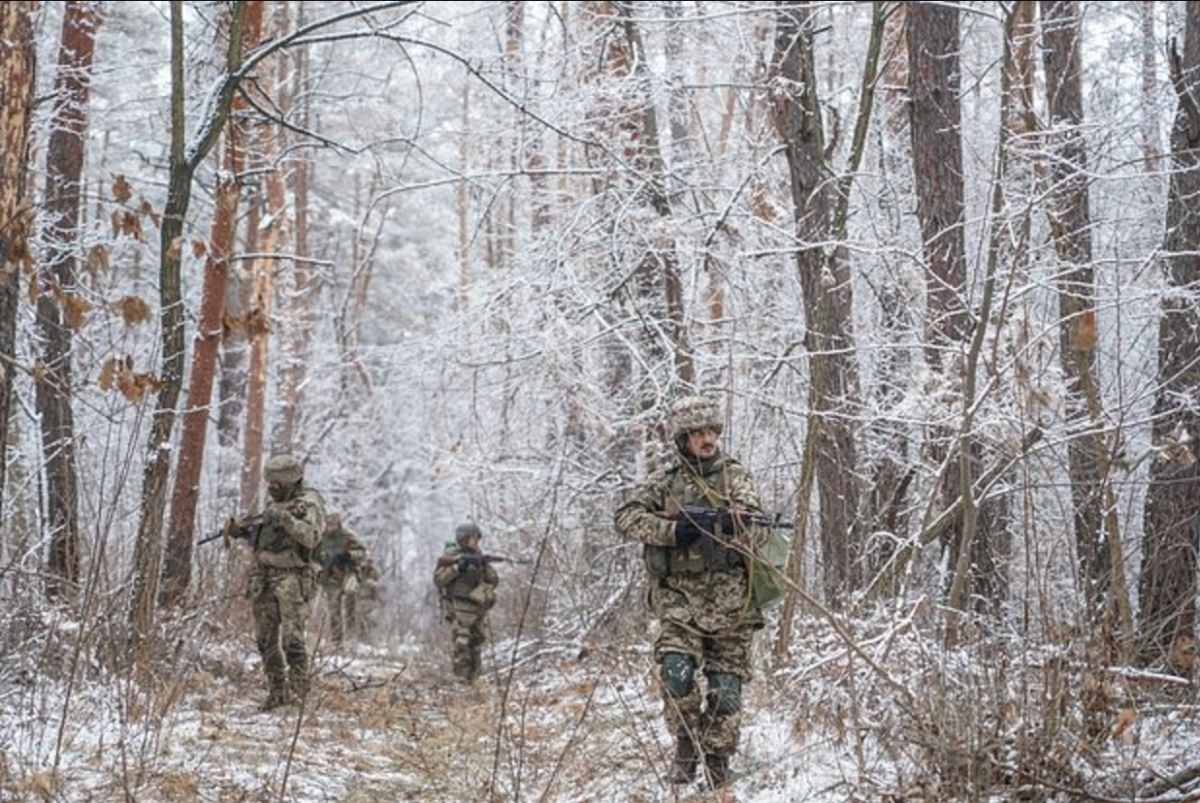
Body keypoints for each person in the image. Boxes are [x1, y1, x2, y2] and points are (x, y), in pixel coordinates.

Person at [613, 394, 767, 789]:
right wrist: (670, 532)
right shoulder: (665, 481)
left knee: (726, 686)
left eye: (711, 431)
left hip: (732, 601)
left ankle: (717, 760)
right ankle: (685, 745)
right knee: (676, 672)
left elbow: (757, 517)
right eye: (698, 433)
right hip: (678, 600)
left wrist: (739, 524)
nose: (707, 439)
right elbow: (626, 515)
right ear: (683, 439)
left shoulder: (735, 476)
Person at [250, 453, 327, 711]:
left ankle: (297, 695)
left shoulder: (310, 502)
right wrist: (245, 531)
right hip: (264, 574)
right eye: (269, 483)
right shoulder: (276, 502)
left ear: (291, 482)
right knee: (264, 639)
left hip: (293, 576)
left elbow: (311, 537)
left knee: (291, 639)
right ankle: (277, 692)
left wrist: (285, 520)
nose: (271, 488)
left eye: (276, 484)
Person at [432, 522, 499, 684]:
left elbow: (493, 580)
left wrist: (484, 566)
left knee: (476, 642)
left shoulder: (478, 555)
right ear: (463, 539)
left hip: (476, 607)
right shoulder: (451, 555)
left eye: (477, 538)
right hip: (457, 606)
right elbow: (439, 580)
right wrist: (457, 568)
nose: (476, 542)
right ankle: (461, 679)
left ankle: (474, 679)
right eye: (472, 538)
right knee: (462, 641)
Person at [313, 512, 375, 647]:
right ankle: (336, 641)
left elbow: (363, 552)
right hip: (331, 579)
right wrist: (319, 569)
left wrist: (349, 555)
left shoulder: (347, 537)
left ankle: (351, 637)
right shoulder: (321, 540)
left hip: (348, 575)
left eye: (333, 525)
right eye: (328, 525)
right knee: (334, 610)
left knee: (350, 605)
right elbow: (313, 557)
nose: (330, 528)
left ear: (338, 524)